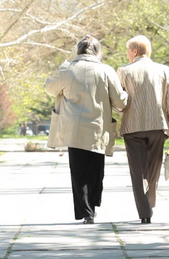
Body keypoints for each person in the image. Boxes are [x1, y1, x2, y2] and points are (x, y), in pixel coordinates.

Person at [45, 34, 128, 224]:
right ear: (97, 52)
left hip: (73, 128)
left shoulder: (67, 70)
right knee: (96, 170)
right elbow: (119, 100)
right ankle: (92, 205)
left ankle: (86, 211)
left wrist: (61, 68)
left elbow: (49, 88)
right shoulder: (106, 71)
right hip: (98, 127)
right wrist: (127, 96)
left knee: (78, 171)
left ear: (77, 51)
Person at [117, 35, 169, 224]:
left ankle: (144, 212)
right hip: (157, 126)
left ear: (134, 51)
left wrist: (117, 110)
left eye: (128, 51)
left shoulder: (123, 71)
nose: (127, 54)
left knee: (138, 171)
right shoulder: (164, 70)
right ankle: (149, 203)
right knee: (153, 169)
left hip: (132, 127)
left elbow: (120, 102)